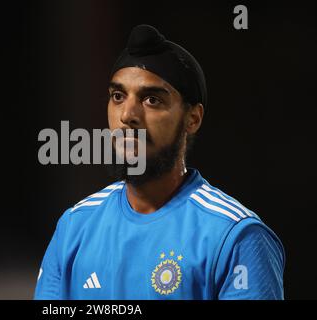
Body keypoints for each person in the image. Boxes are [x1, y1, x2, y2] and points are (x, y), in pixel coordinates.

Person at [34, 24, 285, 300]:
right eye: (118, 96)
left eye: (151, 99)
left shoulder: (235, 236)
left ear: (193, 118)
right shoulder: (74, 227)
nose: (128, 114)